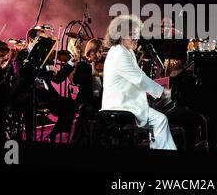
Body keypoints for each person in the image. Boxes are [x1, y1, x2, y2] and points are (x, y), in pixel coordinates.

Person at [101, 15, 177, 150]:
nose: (136, 37)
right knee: (161, 120)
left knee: (158, 120)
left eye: (136, 33)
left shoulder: (126, 51)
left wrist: (156, 91)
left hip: (127, 102)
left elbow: (139, 77)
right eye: (132, 34)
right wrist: (163, 92)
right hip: (120, 105)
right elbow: (139, 79)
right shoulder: (119, 53)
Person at [11, 28, 77, 142]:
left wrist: (70, 63)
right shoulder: (21, 54)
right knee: (28, 102)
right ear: (31, 39)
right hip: (29, 92)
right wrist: (45, 68)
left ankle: (52, 136)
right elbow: (21, 73)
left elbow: (57, 79)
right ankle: (29, 138)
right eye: (40, 39)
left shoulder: (45, 56)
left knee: (70, 104)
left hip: (46, 94)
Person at [71, 38, 104, 145]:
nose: (100, 54)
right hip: (85, 100)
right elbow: (76, 79)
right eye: (97, 51)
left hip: (99, 100)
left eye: (101, 52)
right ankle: (82, 140)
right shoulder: (83, 65)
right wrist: (92, 75)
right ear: (90, 51)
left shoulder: (102, 66)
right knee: (87, 112)